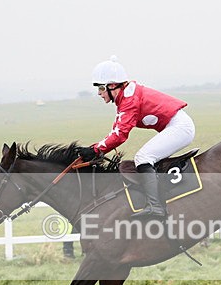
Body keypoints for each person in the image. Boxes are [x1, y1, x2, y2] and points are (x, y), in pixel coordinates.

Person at [75, 56, 195, 219]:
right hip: (177, 126)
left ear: (112, 85)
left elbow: (120, 135)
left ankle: (156, 207)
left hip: (180, 128)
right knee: (146, 157)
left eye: (101, 88)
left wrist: (96, 150)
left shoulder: (129, 100)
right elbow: (115, 131)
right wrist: (94, 149)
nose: (99, 93)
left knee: (143, 157)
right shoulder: (125, 97)